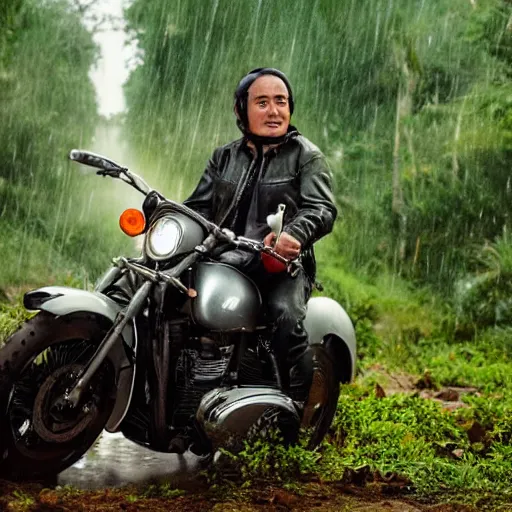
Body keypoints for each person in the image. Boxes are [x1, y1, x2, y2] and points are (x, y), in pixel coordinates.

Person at [184, 68, 337, 403]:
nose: (274, 111)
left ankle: (301, 403)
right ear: (242, 110)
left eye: (280, 101)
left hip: (281, 265)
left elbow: (322, 209)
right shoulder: (224, 157)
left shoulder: (306, 156)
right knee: (164, 294)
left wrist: (293, 235)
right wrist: (166, 222)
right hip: (221, 257)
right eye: (262, 102)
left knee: (283, 314)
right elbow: (197, 208)